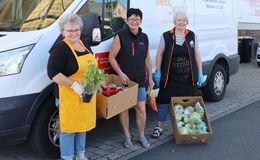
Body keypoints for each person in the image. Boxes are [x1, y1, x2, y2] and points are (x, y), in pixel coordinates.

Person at [47, 13, 97, 160]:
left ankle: (80, 154)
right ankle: (67, 157)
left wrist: (96, 80)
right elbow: (53, 74)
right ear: (63, 31)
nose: (74, 33)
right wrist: (74, 85)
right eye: (70, 30)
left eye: (77, 30)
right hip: (68, 95)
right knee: (69, 129)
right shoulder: (59, 49)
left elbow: (91, 65)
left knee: (82, 126)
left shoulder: (84, 43)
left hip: (86, 93)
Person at [151, 12, 204, 138]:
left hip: (187, 77)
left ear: (187, 22)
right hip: (170, 76)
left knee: (187, 102)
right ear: (175, 22)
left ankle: (184, 126)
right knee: (163, 101)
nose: (181, 22)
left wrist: (200, 71)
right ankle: (159, 126)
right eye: (179, 20)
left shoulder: (191, 35)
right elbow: (159, 54)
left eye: (184, 20)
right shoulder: (166, 36)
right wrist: (158, 70)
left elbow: (197, 54)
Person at [108, 8, 154, 148]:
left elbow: (147, 59)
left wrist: (150, 77)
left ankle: (141, 135)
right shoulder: (120, 36)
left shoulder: (144, 37)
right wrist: (120, 74)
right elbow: (111, 58)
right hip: (125, 80)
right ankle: (127, 137)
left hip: (140, 79)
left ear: (141, 21)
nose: (134, 22)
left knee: (141, 107)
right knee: (124, 108)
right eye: (132, 19)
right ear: (127, 21)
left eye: (137, 19)